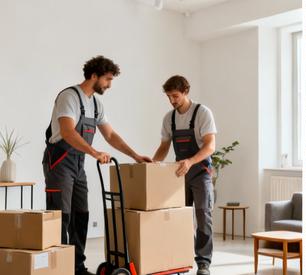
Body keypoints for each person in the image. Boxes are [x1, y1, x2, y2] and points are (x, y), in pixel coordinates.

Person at [42, 55, 152, 275]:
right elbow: (67, 131)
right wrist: (94, 152)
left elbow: (110, 135)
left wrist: (136, 156)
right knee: (60, 216)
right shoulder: (69, 97)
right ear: (94, 76)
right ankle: (57, 268)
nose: (109, 85)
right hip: (60, 161)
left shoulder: (95, 103)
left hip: (78, 163)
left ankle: (77, 267)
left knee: (81, 214)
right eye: (107, 79)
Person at [152, 75, 217, 275]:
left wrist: (190, 161)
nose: (172, 100)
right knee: (180, 217)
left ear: (186, 91)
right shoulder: (169, 118)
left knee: (203, 214)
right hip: (179, 173)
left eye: (175, 96)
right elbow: (164, 146)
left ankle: (204, 262)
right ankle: (179, 257)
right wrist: (153, 165)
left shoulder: (202, 113)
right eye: (169, 97)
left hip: (200, 172)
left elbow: (210, 146)